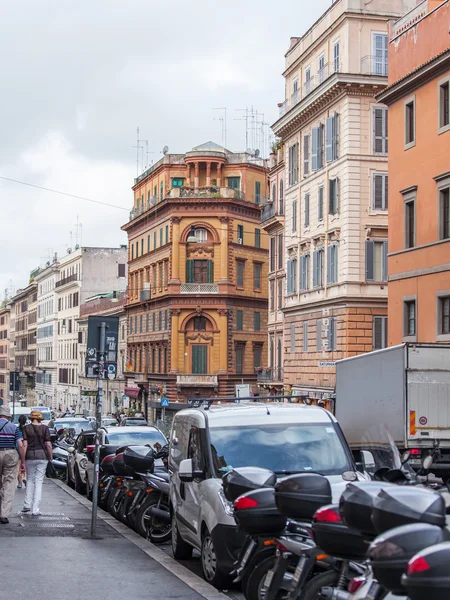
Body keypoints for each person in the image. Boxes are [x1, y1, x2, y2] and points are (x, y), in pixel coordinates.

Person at [21, 410, 52, 516]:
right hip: (42, 456)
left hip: (29, 455)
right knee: (38, 482)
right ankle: (35, 509)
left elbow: (24, 444)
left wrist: (23, 460)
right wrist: (51, 457)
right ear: (40, 418)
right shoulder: (45, 428)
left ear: (31, 418)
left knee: (29, 479)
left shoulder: (26, 428)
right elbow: (48, 444)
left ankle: (26, 505)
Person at [0, 405, 25, 524]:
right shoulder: (14, 428)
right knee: (9, 483)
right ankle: (4, 514)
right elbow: (20, 445)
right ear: (8, 416)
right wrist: (23, 461)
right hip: (10, 454)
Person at [17, 414, 28, 489]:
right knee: (25, 465)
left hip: (17, 448)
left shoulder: (16, 429)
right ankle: (25, 478)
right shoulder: (27, 429)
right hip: (25, 448)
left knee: (19, 466)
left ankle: (19, 483)